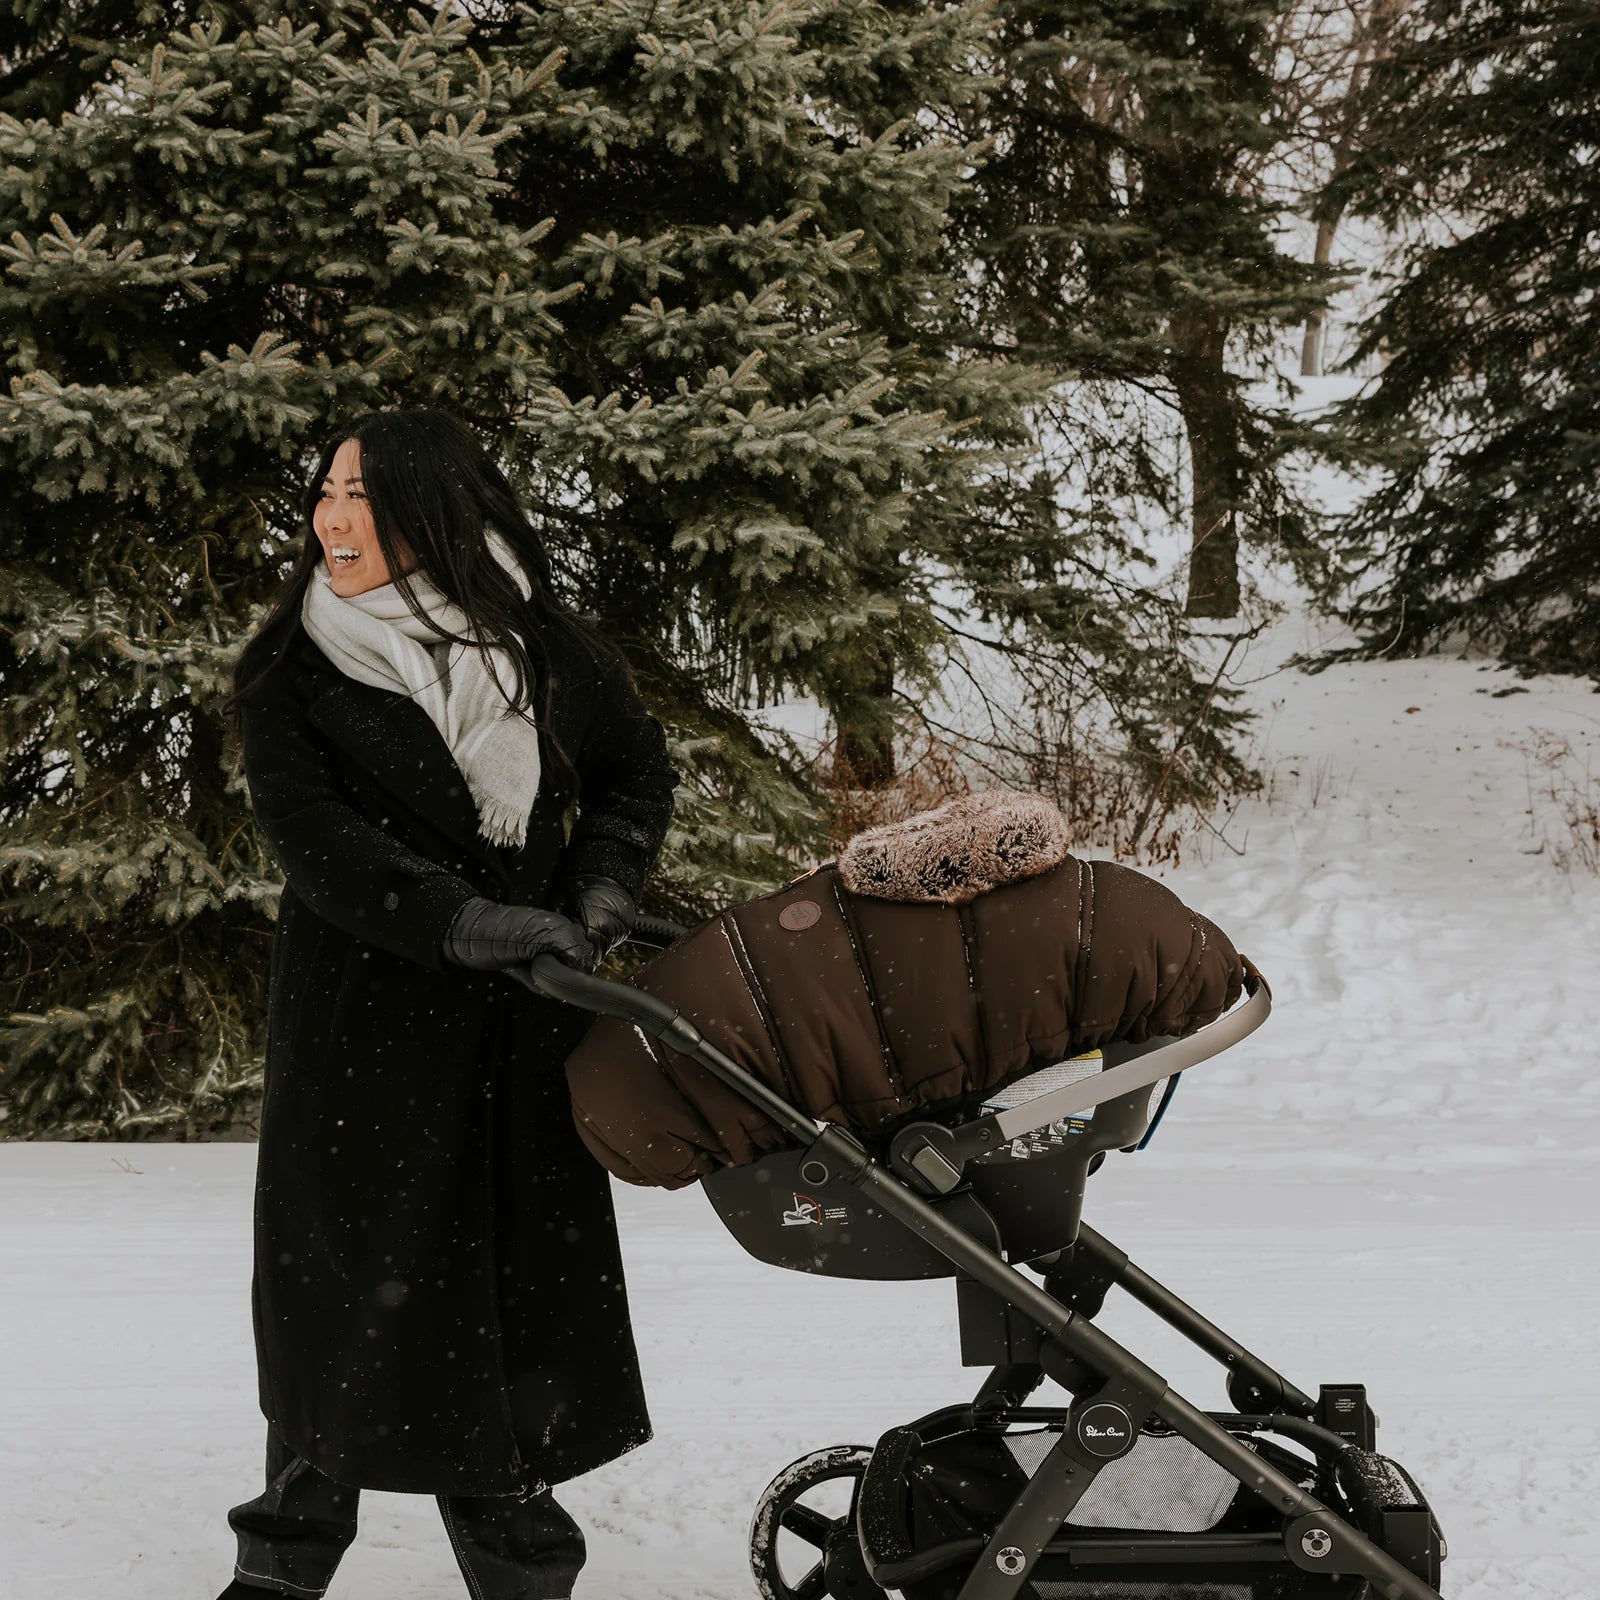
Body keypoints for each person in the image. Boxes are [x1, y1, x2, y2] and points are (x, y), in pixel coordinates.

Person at [216, 408, 681, 1599]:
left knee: (507, 1291)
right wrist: (462, 919)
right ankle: (283, 1559)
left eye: (359, 496)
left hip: (522, 1025)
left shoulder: (543, 645)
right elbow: (314, 841)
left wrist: (602, 880)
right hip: (360, 1023)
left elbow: (633, 768)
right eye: (324, 491)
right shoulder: (292, 666)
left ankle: (522, 1565)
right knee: (342, 1293)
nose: (330, 517)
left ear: (433, 508)